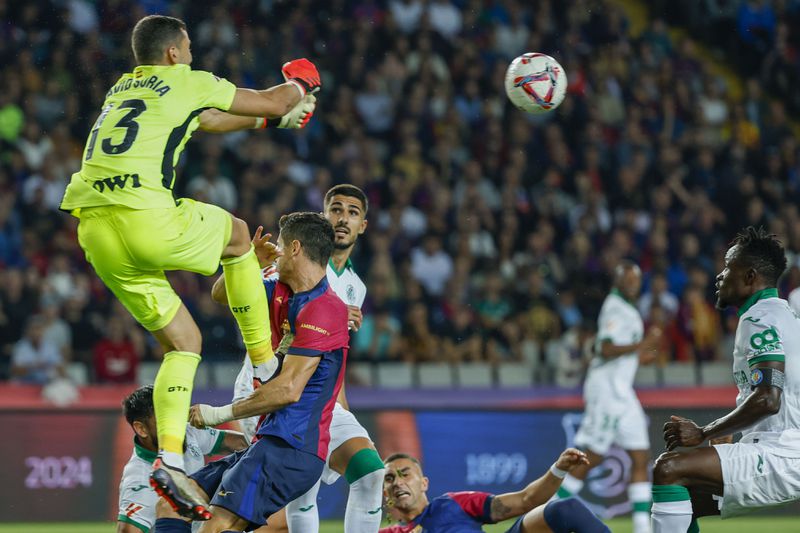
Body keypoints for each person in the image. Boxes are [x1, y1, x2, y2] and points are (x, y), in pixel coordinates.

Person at [58, 14, 319, 518]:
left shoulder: (123, 88)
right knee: (239, 234)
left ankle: (170, 460)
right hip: (144, 215)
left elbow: (208, 119)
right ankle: (265, 363)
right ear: (175, 52)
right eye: (191, 48)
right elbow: (273, 98)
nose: (195, 56)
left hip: (95, 229)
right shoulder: (188, 80)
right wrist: (301, 80)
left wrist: (271, 121)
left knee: (184, 342)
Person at [153, 212, 349, 533]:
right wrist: (251, 265)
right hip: (267, 439)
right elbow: (223, 295)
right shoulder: (280, 287)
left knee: (215, 526)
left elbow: (287, 391)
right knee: (173, 504)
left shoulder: (325, 308)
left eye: (282, 245)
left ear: (296, 248)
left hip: (292, 448)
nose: (277, 250)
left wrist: (217, 414)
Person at [226, 184, 385, 533]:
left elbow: (331, 361)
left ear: (363, 226)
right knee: (301, 491)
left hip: (319, 401)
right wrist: (248, 264)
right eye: (336, 209)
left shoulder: (355, 287)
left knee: (372, 474)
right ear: (323, 218)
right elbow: (228, 296)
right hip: (271, 394)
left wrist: (340, 407)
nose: (343, 218)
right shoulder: (290, 265)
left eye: (353, 212)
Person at [650, 227, 800, 532]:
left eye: (728, 267)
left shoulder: (760, 320)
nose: (719, 276)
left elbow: (768, 399)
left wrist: (703, 432)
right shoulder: (781, 315)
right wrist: (734, 430)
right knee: (683, 499)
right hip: (780, 449)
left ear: (749, 276)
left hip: (781, 454)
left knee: (668, 468)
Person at [556, 260, 661, 533]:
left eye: (637, 281)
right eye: (628, 281)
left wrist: (642, 356)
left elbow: (623, 354)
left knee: (640, 455)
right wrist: (643, 344)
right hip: (605, 391)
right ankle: (550, 514)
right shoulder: (614, 307)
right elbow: (604, 348)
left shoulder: (627, 308)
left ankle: (642, 528)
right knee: (593, 456)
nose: (633, 286)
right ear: (617, 282)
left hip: (622, 392)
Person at [117, 385, 248, 533]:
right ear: (141, 429)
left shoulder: (188, 432)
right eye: (165, 420)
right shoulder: (139, 479)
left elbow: (241, 444)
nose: (176, 426)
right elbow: (127, 530)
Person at [380, 450, 610, 533]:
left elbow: (527, 500)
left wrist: (559, 469)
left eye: (405, 474)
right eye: (389, 478)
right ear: (384, 493)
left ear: (424, 483)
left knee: (566, 509)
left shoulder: (453, 503)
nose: (398, 482)